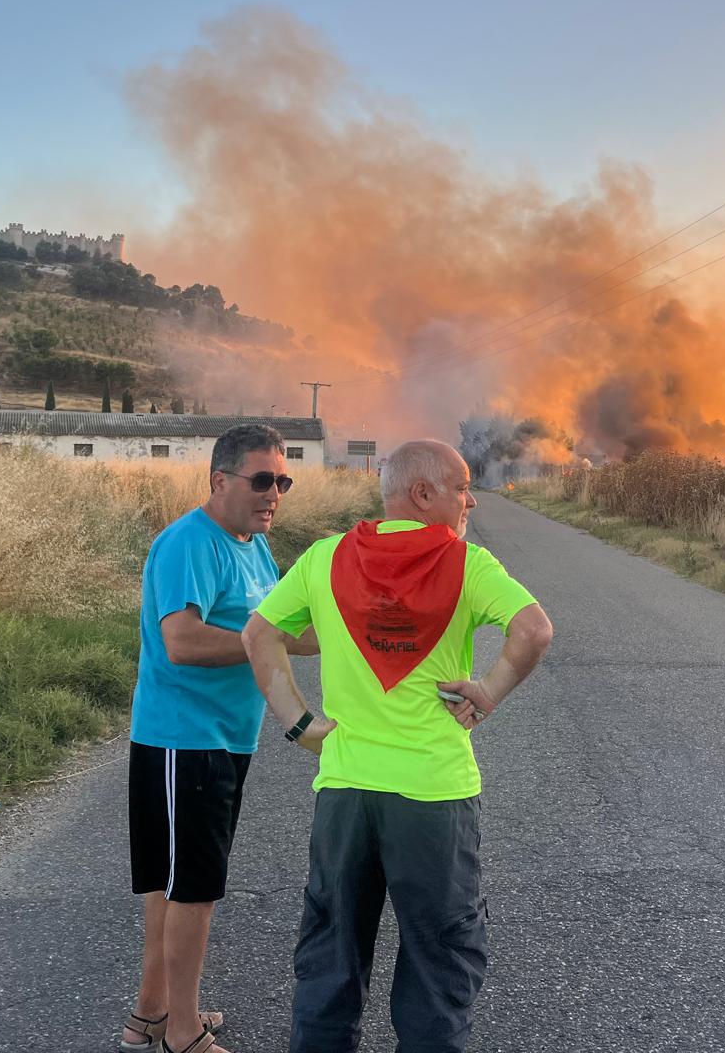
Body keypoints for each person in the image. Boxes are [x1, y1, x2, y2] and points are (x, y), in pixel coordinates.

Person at [242, 439, 554, 1053]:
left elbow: (259, 635)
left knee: (331, 958)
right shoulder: (467, 564)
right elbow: (534, 629)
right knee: (438, 964)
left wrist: (299, 725)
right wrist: (487, 691)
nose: (470, 502)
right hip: (434, 796)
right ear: (423, 493)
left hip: (346, 793)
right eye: (462, 488)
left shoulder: (325, 557)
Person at [122, 423, 323, 1053]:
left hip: (220, 741)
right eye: (262, 480)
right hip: (187, 740)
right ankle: (181, 1032)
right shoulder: (191, 543)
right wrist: (274, 644)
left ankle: (150, 1014)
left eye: (283, 481)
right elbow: (180, 640)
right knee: (194, 889)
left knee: (171, 881)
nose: (275, 493)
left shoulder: (253, 545)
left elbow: (283, 627)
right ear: (219, 481)